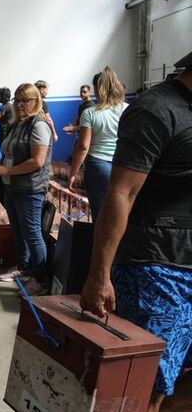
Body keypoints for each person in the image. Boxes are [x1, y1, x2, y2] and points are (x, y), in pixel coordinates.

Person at [80, 51, 192, 412]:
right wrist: (99, 275)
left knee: (180, 379)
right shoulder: (156, 110)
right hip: (155, 268)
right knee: (146, 384)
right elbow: (121, 194)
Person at [0, 83, 53, 296]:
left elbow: (37, 161)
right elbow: (9, 151)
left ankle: (40, 279)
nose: (19, 104)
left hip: (30, 189)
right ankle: (23, 267)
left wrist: (7, 172)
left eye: (24, 100)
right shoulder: (18, 124)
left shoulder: (38, 126)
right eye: (17, 100)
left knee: (33, 234)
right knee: (18, 231)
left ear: (35, 102)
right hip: (12, 188)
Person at [68, 67, 128, 222]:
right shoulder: (127, 109)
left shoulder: (91, 112)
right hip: (122, 165)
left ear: (97, 89)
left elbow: (83, 146)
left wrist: (73, 173)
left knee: (100, 216)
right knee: (120, 215)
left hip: (98, 165)